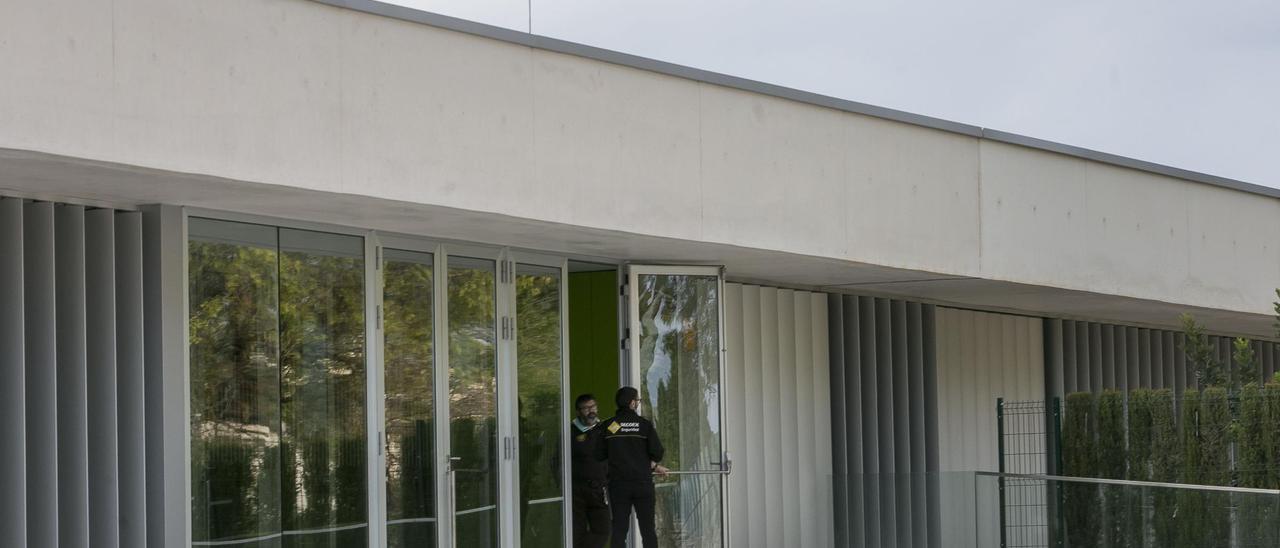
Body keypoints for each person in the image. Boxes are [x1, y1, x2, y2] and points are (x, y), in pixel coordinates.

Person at [596, 386, 668, 548]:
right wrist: (645, 460)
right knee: (648, 530)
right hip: (642, 484)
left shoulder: (609, 426)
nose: (637, 403)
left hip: (618, 486)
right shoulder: (644, 425)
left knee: (619, 530)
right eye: (637, 400)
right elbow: (657, 453)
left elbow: (598, 455)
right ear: (632, 403)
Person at [570, 393, 610, 548]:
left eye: (593, 406)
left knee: (603, 531)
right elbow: (556, 460)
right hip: (576, 492)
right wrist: (563, 485)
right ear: (578, 411)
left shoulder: (605, 429)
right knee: (575, 533)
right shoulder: (570, 431)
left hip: (598, 490)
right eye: (586, 408)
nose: (591, 411)